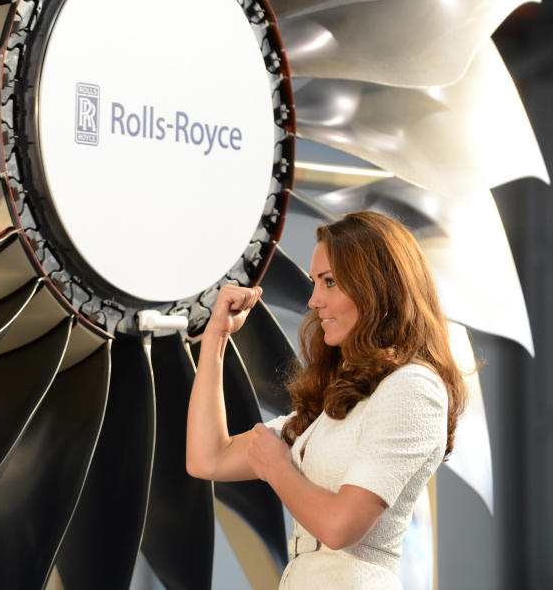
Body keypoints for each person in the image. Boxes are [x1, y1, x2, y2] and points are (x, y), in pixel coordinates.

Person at [186, 211, 466, 589]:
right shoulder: (336, 404)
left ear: (377, 287)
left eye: (329, 282)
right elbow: (208, 458)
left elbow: (339, 527)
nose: (314, 300)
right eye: (316, 282)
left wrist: (279, 469)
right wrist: (216, 337)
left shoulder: (413, 387)